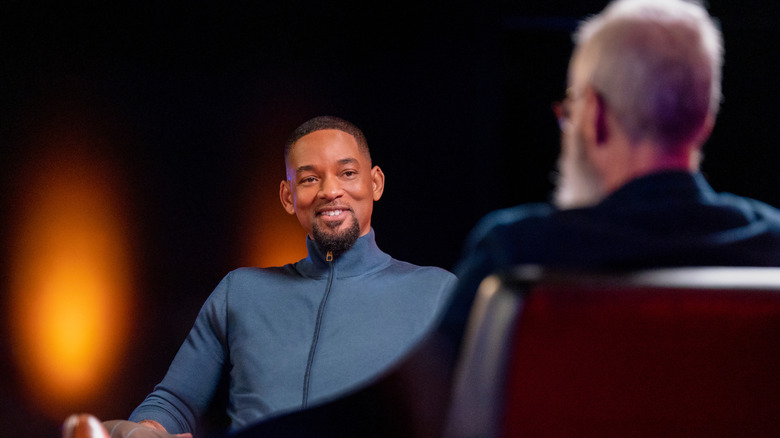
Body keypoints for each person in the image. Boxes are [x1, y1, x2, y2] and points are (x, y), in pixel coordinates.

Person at [443, 0, 780, 354]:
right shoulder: (774, 247)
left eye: (570, 110)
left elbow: (427, 396)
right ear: (704, 122)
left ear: (595, 115)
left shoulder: (513, 252)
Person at [99, 115, 457, 437]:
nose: (330, 190)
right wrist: (145, 431)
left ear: (375, 183)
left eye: (347, 173)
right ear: (288, 196)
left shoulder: (438, 292)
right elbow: (174, 402)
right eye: (310, 178)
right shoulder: (240, 292)